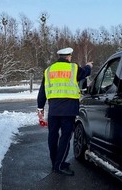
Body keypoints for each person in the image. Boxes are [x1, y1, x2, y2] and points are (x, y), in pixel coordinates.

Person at [37, 47, 93, 176]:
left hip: (53, 110)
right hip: (68, 110)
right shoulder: (73, 68)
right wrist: (89, 66)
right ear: (68, 57)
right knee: (65, 137)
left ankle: (55, 162)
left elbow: (42, 91)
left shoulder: (49, 70)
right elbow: (85, 72)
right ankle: (60, 165)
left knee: (52, 136)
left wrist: (40, 108)